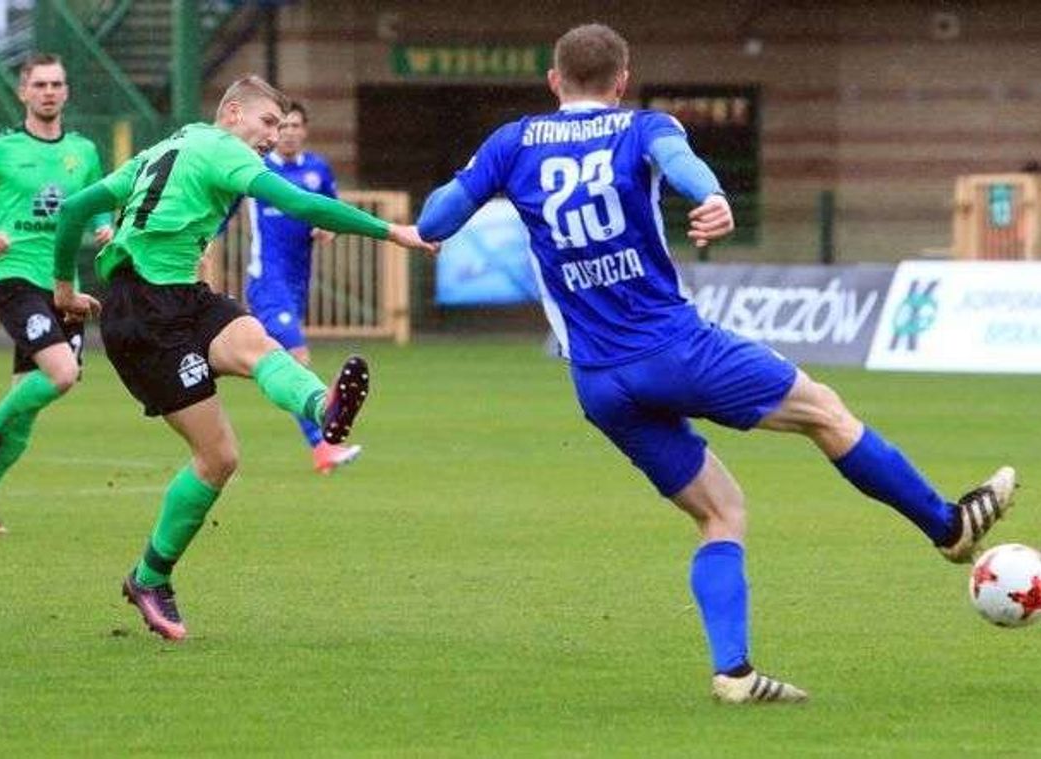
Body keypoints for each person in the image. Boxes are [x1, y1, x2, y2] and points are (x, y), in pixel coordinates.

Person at [416, 23, 1017, 703]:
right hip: (674, 348)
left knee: (721, 513)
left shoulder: (512, 142)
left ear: (554, 81)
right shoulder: (642, 126)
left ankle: (733, 672)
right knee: (823, 411)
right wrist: (712, 197)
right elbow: (681, 163)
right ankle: (948, 527)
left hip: (597, 381)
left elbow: (437, 219)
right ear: (622, 79)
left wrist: (444, 208)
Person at [52, 75, 436, 641]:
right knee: (219, 457)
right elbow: (298, 202)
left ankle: (322, 406)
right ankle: (149, 578)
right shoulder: (221, 149)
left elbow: (78, 207)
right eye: (267, 124)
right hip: (143, 315)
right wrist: (392, 231)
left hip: (180, 296)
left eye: (281, 128)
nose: (272, 137)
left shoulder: (166, 146)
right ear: (232, 113)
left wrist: (63, 288)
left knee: (257, 344)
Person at [0, 53, 113, 534]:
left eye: (57, 84)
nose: (49, 92)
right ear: (23, 92)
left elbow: (98, 204)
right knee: (63, 374)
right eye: (39, 84)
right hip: (13, 276)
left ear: (67, 91)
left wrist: (103, 227)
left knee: (30, 410)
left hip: (62, 285)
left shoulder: (83, 150)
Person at [246, 101, 358, 473]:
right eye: (283, 125)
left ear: (305, 130)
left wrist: (328, 226)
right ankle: (322, 445)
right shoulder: (257, 169)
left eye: (296, 125)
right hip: (267, 280)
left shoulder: (317, 169)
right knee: (297, 357)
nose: (290, 131)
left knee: (269, 359)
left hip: (298, 282)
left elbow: (331, 210)